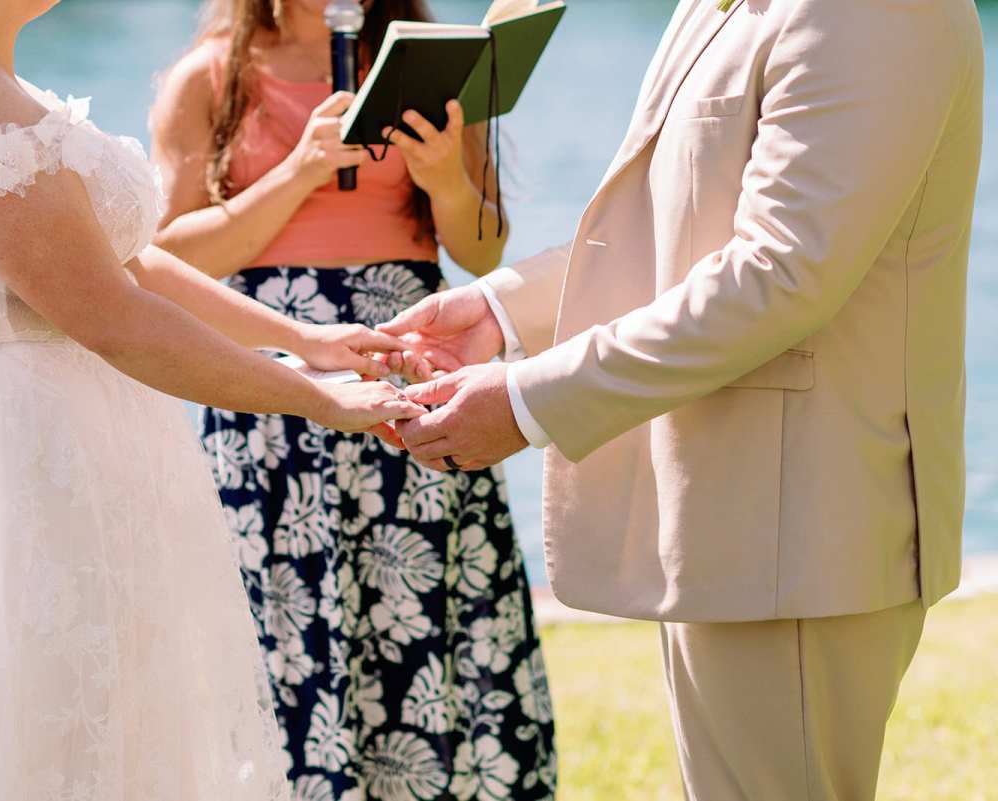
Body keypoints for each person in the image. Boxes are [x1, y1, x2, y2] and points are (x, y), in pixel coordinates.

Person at [0, 0, 429, 797]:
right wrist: (313, 396)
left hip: (88, 468)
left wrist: (304, 339)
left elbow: (131, 263)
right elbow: (111, 316)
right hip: (12, 478)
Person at [381, 0, 984, 799]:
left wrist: (528, 403)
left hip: (804, 532)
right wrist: (502, 311)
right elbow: (674, 238)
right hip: (728, 520)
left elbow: (778, 276)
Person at [149, 1, 556, 798]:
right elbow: (170, 258)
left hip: (410, 369)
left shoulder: (432, 67)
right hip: (271, 390)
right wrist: (298, 170)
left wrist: (442, 175)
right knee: (288, 618)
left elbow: (483, 247)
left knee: (419, 609)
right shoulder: (209, 78)